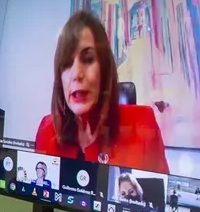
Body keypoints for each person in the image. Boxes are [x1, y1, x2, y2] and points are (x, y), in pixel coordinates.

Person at [34, 10, 168, 174]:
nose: (76, 74)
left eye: (88, 59)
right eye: (67, 64)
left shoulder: (143, 125)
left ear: (104, 70)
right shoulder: (46, 130)